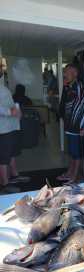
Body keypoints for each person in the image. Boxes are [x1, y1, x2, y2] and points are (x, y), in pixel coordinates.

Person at [0, 58, 29, 193]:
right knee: (4, 157)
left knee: (12, 153)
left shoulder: (2, 85)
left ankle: (14, 176)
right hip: (3, 129)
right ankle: (5, 184)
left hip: (11, 126)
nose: (2, 69)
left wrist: (17, 110)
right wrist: (9, 111)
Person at [57, 64, 84, 183]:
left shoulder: (80, 86)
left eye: (67, 72)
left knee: (76, 153)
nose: (65, 74)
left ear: (75, 73)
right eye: (64, 72)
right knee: (71, 152)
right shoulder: (69, 86)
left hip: (76, 126)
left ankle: (74, 176)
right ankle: (70, 172)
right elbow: (64, 103)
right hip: (69, 125)